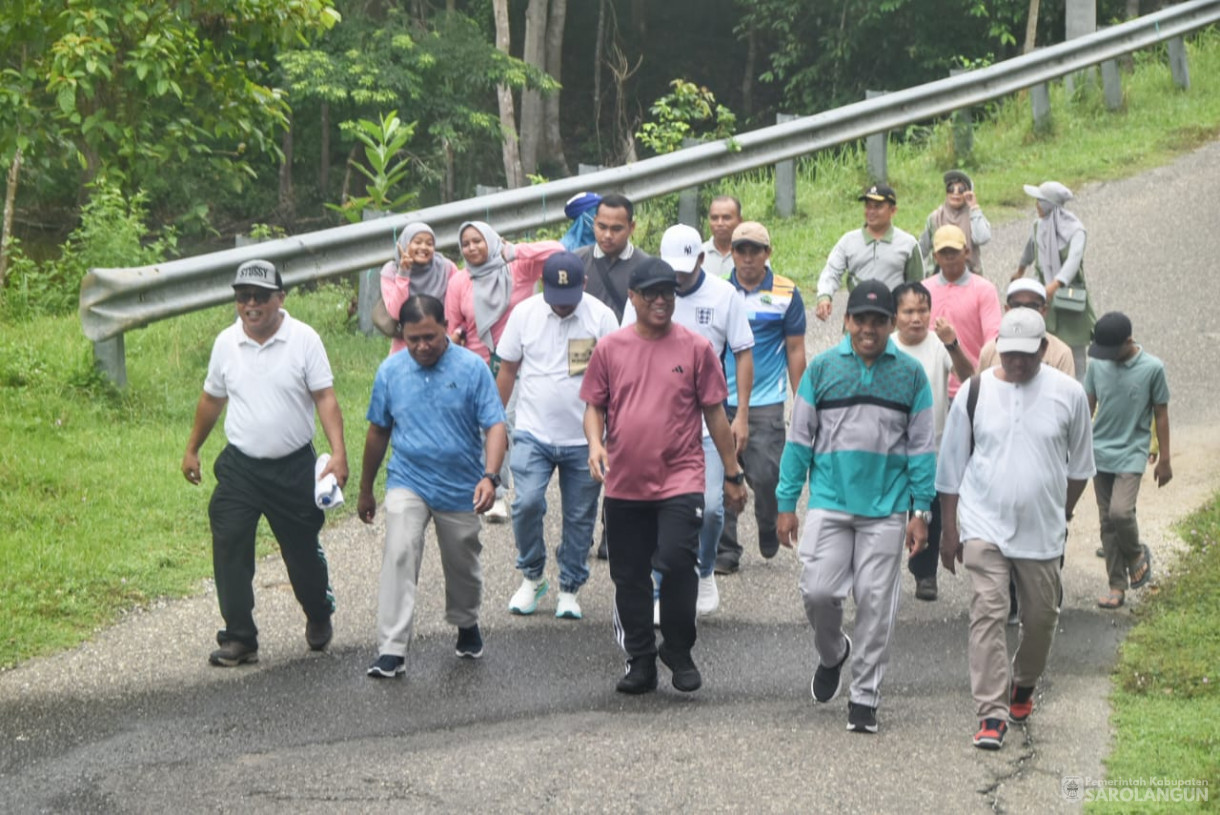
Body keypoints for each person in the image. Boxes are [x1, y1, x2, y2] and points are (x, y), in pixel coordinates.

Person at [776, 279, 936, 735]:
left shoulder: (910, 375)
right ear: (846, 322)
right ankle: (833, 653)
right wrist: (786, 502)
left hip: (886, 509)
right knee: (818, 592)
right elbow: (799, 438)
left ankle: (864, 695)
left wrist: (920, 511)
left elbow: (922, 448)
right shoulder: (823, 369)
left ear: (891, 324)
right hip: (830, 500)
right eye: (861, 319)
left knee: (875, 602)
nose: (869, 328)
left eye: (879, 320)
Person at [581, 259, 748, 695]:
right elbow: (594, 406)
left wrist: (732, 473)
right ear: (632, 297)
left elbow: (715, 412)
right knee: (629, 574)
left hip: (680, 478)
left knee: (676, 562)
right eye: (651, 293)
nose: (660, 301)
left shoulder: (695, 348)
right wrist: (596, 445)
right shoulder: (610, 349)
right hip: (624, 483)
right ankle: (640, 658)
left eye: (668, 293)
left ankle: (678, 647)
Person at [936, 308, 1095, 750]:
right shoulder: (975, 391)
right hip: (984, 524)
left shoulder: (1069, 394)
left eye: (1027, 354)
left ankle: (1023, 683)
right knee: (987, 612)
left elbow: (1081, 467)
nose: (1017, 362)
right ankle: (991, 712)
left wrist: (1060, 512)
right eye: (1009, 354)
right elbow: (950, 469)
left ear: (1045, 349)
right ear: (997, 348)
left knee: (1042, 618)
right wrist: (950, 532)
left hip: (1041, 533)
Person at [182, 259, 348, 667]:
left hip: (292, 467)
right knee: (229, 541)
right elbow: (212, 399)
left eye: (260, 296)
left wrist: (339, 452)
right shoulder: (226, 343)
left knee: (301, 551)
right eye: (243, 297)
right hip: (241, 467)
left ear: (281, 298)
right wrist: (193, 448)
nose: (251, 304)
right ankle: (239, 637)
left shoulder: (304, 339)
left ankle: (318, 612)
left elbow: (324, 397)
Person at [357, 294, 507, 678]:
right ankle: (391, 648)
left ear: (446, 328)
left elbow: (494, 425)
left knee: (462, 561)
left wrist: (490, 477)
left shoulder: (473, 369)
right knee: (400, 551)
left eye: (430, 337)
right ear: (402, 336)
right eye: (413, 340)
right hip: (409, 479)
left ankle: (466, 620)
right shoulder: (390, 372)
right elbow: (378, 431)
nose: (422, 347)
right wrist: (365, 488)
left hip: (461, 485)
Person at [623, 224, 754, 616]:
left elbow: (743, 352)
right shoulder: (646, 295)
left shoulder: (723, 294)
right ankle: (660, 589)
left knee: (712, 507)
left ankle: (704, 568)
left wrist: (742, 413)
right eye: (671, 269)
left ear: (702, 258)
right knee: (659, 509)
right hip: (656, 425)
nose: (677, 279)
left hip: (708, 419)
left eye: (686, 267)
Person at [495, 252, 618, 621]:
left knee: (579, 516)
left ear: (583, 285)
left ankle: (570, 585)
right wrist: (494, 421)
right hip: (533, 430)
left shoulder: (601, 317)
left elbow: (618, 378)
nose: (561, 307)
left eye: (568, 299)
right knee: (527, 503)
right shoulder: (525, 314)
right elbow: (507, 370)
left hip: (585, 439)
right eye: (554, 298)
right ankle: (532, 576)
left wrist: (612, 435)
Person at [445, 221, 563, 521]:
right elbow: (453, 322)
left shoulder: (518, 269)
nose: (472, 248)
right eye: (466, 243)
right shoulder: (461, 280)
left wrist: (513, 250)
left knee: (503, 423)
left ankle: (497, 492)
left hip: (516, 363)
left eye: (478, 241)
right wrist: (456, 337)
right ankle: (475, 485)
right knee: (475, 427)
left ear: (492, 241)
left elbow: (557, 251)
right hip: (475, 363)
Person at [715, 221, 807, 576]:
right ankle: (726, 549)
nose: (748, 257)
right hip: (724, 398)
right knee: (724, 468)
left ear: (768, 253)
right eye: (741, 250)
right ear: (732, 253)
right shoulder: (721, 292)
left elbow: (795, 349)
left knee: (768, 474)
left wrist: (803, 403)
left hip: (767, 398)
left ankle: (768, 522)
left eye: (755, 250)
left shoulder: (786, 292)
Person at [891, 281, 974, 602]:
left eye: (922, 310)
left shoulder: (939, 347)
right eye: (908, 311)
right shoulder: (888, 346)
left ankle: (925, 574)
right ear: (895, 315)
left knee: (930, 514)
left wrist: (952, 343)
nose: (916, 317)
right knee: (892, 515)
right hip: (891, 452)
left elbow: (969, 377)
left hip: (932, 450)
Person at [1085, 312, 1171, 610]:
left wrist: (1165, 459)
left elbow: (1161, 413)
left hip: (1132, 451)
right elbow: (1088, 405)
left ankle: (1135, 553)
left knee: (1121, 513)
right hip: (1100, 451)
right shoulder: (1097, 365)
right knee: (1107, 522)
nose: (1106, 357)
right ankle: (1116, 585)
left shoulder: (1152, 368)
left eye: (1112, 351)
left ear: (1128, 342)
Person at [1012, 181, 1095, 381]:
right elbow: (1030, 249)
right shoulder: (1038, 226)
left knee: (1075, 351)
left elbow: (1073, 261)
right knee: (1041, 343)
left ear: (1049, 204)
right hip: (1042, 295)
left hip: (1069, 297)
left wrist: (1056, 284)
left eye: (1040, 201)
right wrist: (1021, 269)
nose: (1036, 206)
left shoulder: (1076, 231)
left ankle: (1080, 394)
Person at [815, 184, 924, 322]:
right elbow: (831, 271)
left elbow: (916, 286)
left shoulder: (908, 244)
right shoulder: (848, 241)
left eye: (878, 207)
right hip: (857, 318)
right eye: (868, 206)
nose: (871, 211)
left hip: (892, 321)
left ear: (893, 210)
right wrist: (824, 296)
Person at [925, 224, 1002, 398]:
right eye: (944, 252)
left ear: (966, 252)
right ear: (935, 256)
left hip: (971, 386)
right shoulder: (925, 290)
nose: (949, 257)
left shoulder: (984, 289)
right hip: (930, 389)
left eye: (954, 251)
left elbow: (993, 339)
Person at [372, 222, 458, 356]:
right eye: (417, 242)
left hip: (441, 342)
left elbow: (455, 308)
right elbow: (396, 313)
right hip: (405, 344)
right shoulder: (391, 270)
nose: (424, 247)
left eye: (429, 243)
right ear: (405, 243)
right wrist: (403, 273)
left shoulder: (446, 268)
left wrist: (451, 339)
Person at [576, 193, 654, 323]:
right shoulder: (577, 261)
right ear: (594, 222)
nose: (607, 235)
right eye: (602, 227)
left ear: (631, 227)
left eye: (616, 229)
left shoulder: (647, 267)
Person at [976, 279, 1075, 377]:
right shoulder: (990, 351)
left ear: (1044, 311)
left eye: (1032, 306)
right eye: (1017, 305)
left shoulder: (1060, 353)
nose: (1023, 311)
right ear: (1007, 309)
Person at [917, 170, 992, 274]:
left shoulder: (973, 216)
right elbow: (921, 250)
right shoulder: (935, 218)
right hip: (938, 276)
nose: (955, 193)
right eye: (950, 188)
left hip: (969, 276)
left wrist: (974, 208)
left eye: (961, 190)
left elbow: (982, 238)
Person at [703, 195, 743, 279]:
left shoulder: (753, 255)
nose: (719, 223)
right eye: (714, 218)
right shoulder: (698, 255)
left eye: (726, 218)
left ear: (740, 221)